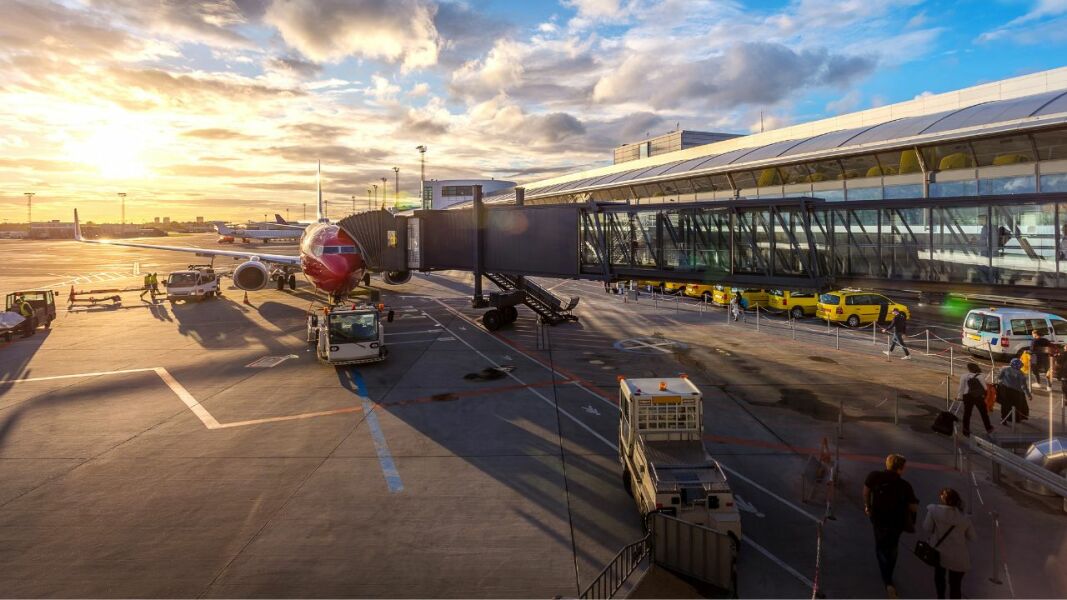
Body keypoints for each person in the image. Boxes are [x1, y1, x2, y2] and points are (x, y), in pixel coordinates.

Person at [863, 454, 919, 599]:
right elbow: (913, 507)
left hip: (878, 519)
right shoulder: (905, 486)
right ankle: (889, 577)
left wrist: (868, 506)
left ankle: (887, 580)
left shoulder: (874, 476)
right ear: (900, 469)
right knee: (893, 547)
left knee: (880, 546)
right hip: (897, 523)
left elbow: (866, 492)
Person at [922, 488, 976, 599]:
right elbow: (972, 537)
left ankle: (940, 597)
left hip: (939, 553)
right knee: (955, 586)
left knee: (939, 578)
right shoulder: (964, 519)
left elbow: (927, 527)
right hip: (958, 556)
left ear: (942, 498)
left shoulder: (933, 510)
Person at [957, 363, 994, 437]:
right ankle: (988, 428)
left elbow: (961, 388)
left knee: (967, 413)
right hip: (978, 397)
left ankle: (966, 430)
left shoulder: (964, 376)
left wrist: (959, 397)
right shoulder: (980, 376)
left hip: (967, 396)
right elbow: (985, 388)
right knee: (983, 413)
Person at [998, 358, 1031, 424]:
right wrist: (1029, 395)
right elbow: (1024, 386)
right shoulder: (1021, 374)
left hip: (1004, 390)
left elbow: (999, 377)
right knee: (1017, 406)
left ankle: (1003, 418)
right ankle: (1015, 419)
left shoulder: (1005, 369)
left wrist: (1001, 382)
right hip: (1017, 392)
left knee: (1005, 405)